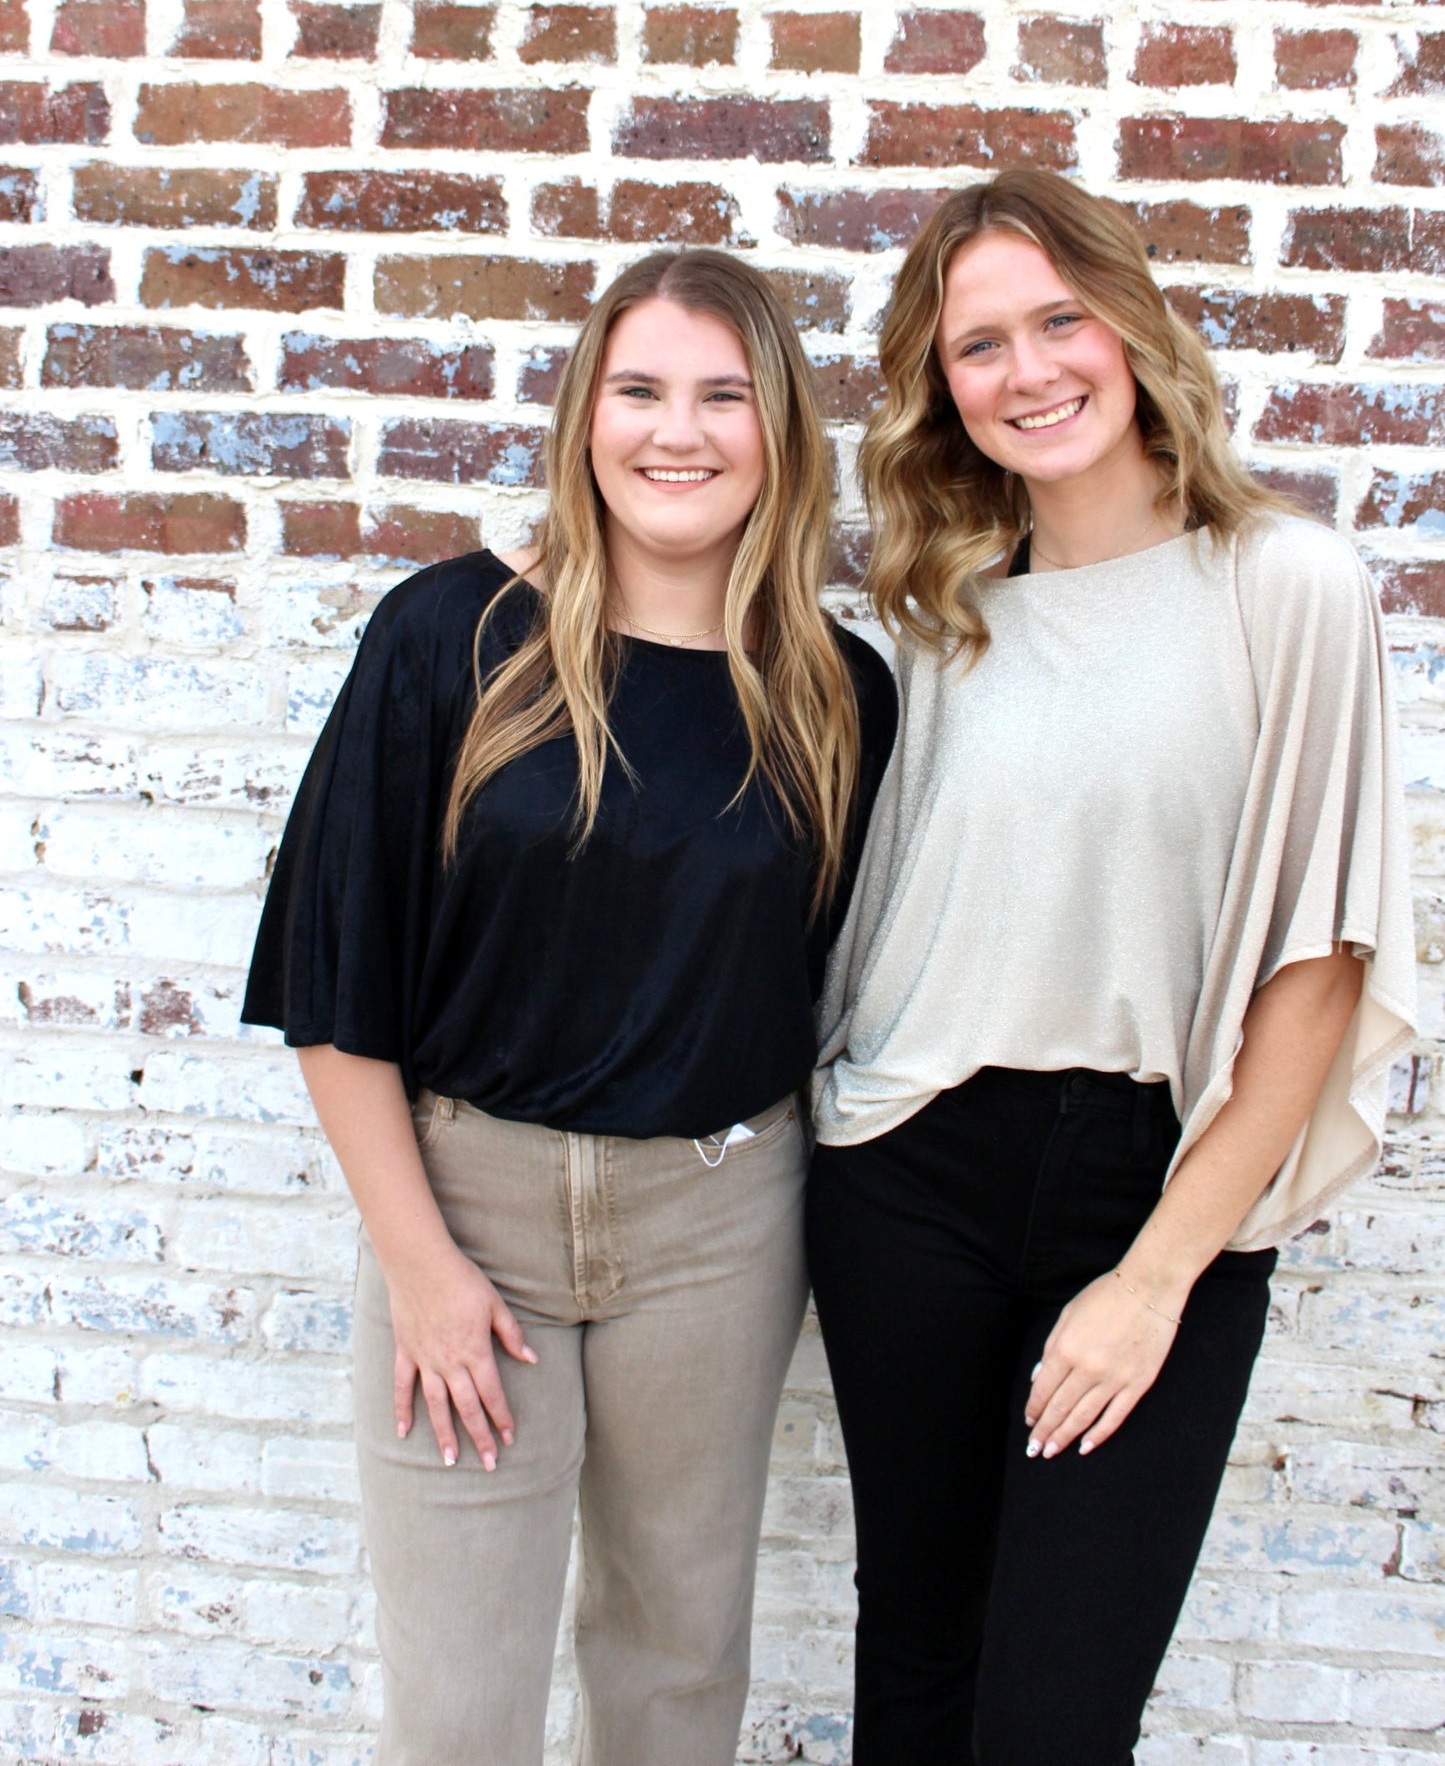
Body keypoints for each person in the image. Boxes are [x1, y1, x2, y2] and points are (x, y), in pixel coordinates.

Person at [242, 248, 897, 1766]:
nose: (681, 432)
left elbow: (838, 983)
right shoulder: (452, 636)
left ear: (780, 431)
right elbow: (337, 985)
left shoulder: (833, 692)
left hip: (719, 1230)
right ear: (582, 418)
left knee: (675, 1670)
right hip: (469, 1213)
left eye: (724, 395)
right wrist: (420, 1266)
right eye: (642, 390)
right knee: (460, 1699)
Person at [805, 168, 1416, 1766]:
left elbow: (1317, 961)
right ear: (940, 389)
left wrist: (1154, 1278)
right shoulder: (936, 612)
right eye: (977, 346)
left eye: (1058, 320)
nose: (1028, 372)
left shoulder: (1282, 586)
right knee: (916, 1678)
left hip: (1158, 1186)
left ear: (1132, 328)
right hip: (906, 1173)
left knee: (1056, 1721)